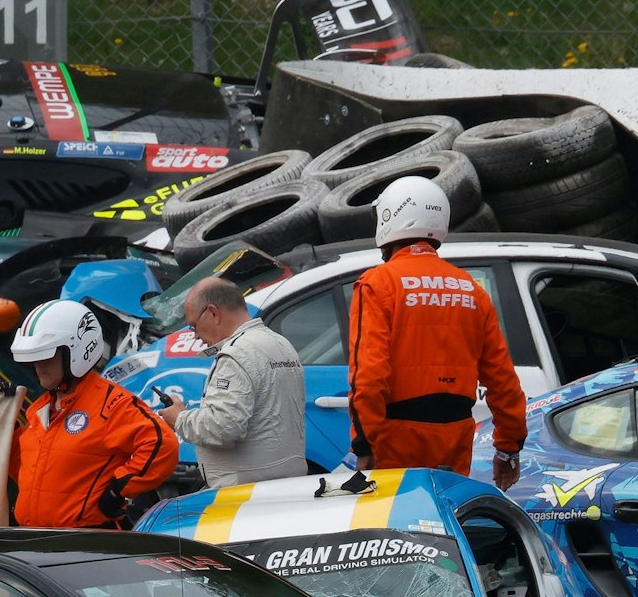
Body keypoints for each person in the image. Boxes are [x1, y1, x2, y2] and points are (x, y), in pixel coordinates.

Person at [346, 176, 527, 490]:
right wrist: (508, 448)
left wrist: (364, 445)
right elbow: (502, 379)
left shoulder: (377, 285)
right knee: (445, 529)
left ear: (391, 217)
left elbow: (369, 375)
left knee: (400, 532)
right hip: (455, 435)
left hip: (396, 439)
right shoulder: (472, 289)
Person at [8, 299, 179, 528]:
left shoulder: (111, 403)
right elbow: (27, 470)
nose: (38, 366)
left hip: (85, 544)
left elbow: (162, 444)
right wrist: (7, 431)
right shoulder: (39, 409)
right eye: (33, 358)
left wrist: (118, 489)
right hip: (34, 540)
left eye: (46, 356)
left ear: (75, 352)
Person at [157, 278, 306, 487]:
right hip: (285, 483)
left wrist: (180, 419)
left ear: (213, 313)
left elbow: (223, 428)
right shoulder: (280, 343)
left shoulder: (237, 354)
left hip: (245, 493)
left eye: (193, 326)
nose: (196, 336)